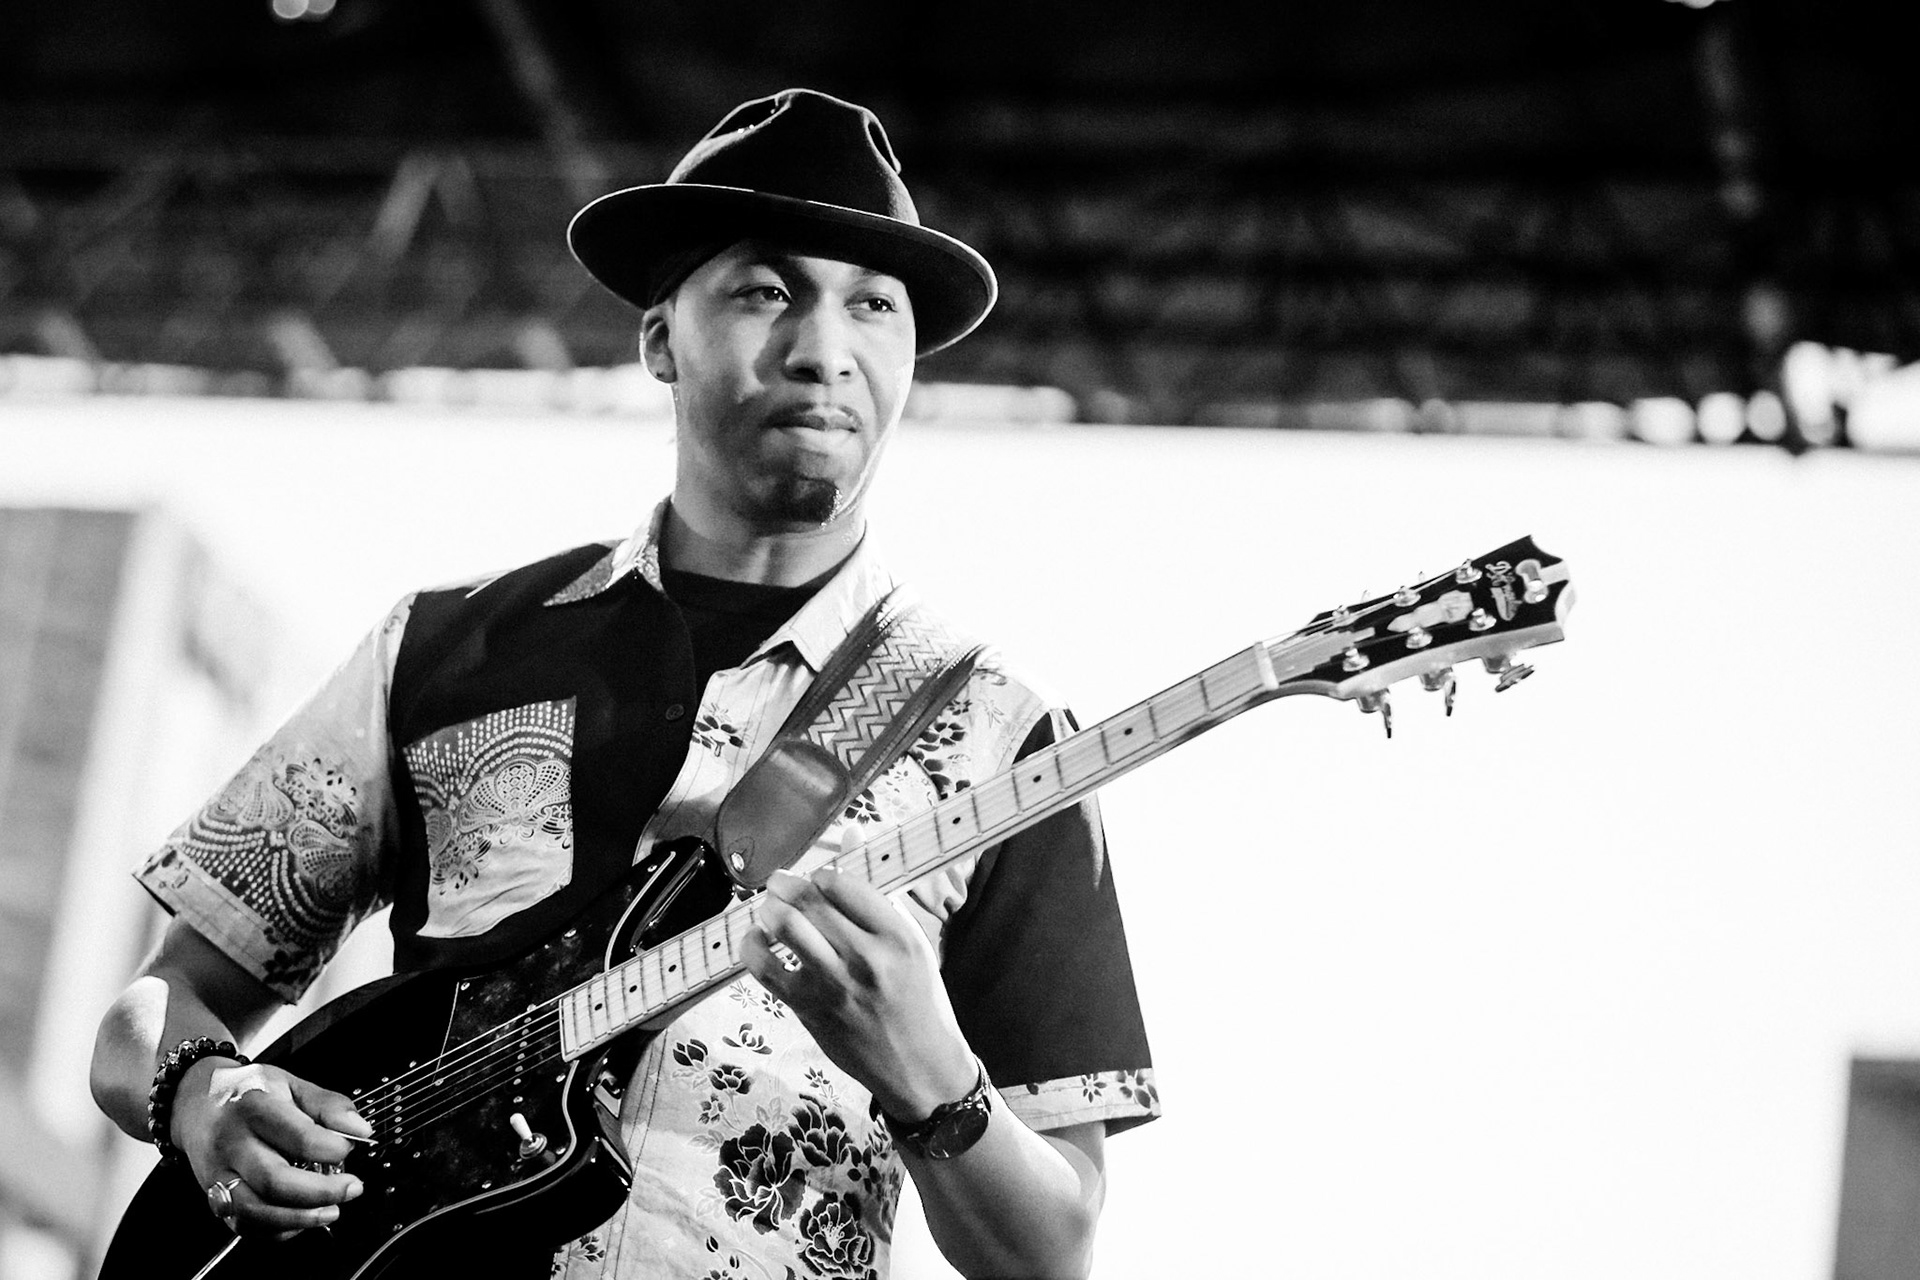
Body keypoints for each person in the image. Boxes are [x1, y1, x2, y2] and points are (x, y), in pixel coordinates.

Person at [90, 88, 1157, 1280]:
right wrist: (206, 1091)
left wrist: (932, 1077)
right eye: (766, 291)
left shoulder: (1008, 741)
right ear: (659, 339)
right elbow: (156, 1005)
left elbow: (1052, 1249)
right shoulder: (441, 647)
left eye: (874, 305)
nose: (824, 348)